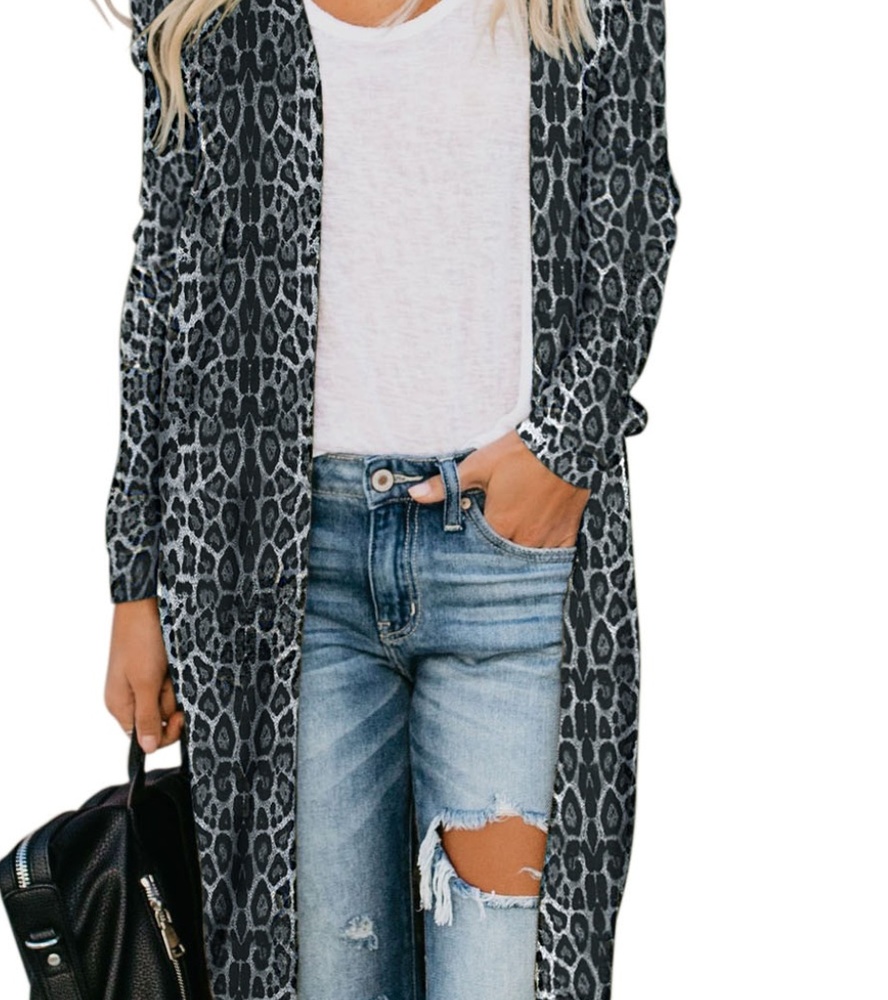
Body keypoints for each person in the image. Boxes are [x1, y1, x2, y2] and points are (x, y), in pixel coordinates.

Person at [100, 0, 680, 997]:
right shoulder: (203, 13)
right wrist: (136, 579)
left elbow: (634, 207)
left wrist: (565, 452)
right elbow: (165, 281)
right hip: (281, 575)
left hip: (512, 574)